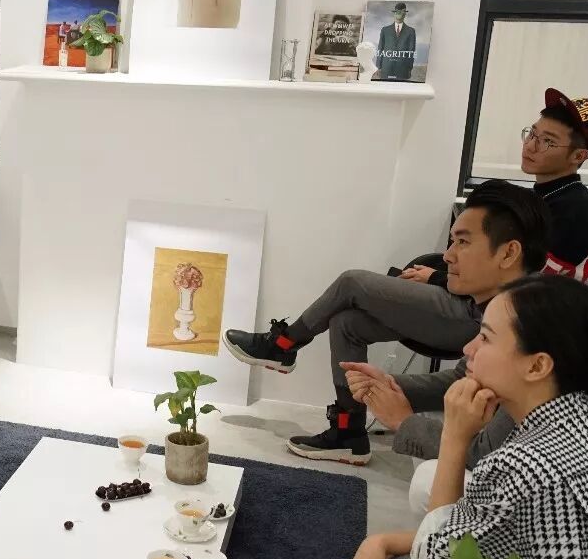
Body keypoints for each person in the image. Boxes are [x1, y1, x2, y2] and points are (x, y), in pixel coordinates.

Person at [346, 276, 588, 559]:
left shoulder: (523, 464)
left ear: (537, 366)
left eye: (485, 338)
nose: (468, 348)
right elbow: (487, 532)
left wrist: (455, 435)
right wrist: (385, 540)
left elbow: (434, 555)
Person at [225, 180, 550, 465]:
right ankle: (347, 431)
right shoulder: (511, 311)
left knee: (352, 282)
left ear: (509, 254)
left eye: (462, 242)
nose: (448, 255)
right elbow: (461, 381)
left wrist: (403, 420)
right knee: (347, 321)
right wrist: (380, 387)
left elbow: (480, 456)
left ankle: (283, 345)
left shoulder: (536, 333)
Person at [401, 88, 588, 286]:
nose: (530, 146)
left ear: (578, 156)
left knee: (386, 289)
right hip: (487, 296)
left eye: (547, 141)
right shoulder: (547, 196)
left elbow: (517, 283)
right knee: (416, 269)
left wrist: (437, 278)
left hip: (507, 307)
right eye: (532, 134)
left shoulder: (573, 213)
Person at [374, 2, 416, 80]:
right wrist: (378, 67)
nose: (400, 14)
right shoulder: (385, 30)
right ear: (394, 13)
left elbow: (411, 52)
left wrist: (409, 68)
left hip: (403, 70)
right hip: (386, 68)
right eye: (398, 12)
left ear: (405, 14)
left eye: (402, 12)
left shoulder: (411, 31)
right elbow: (380, 49)